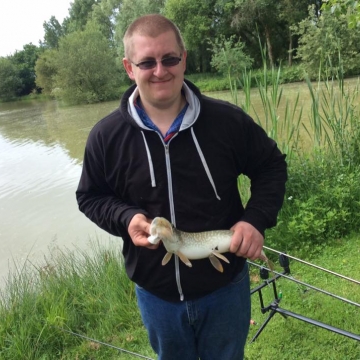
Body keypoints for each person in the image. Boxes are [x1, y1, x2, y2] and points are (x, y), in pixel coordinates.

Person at [76, 14, 287, 360]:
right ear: (129, 68)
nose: (161, 70)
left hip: (225, 289)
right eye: (147, 62)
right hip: (156, 296)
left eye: (169, 58)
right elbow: (90, 197)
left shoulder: (227, 122)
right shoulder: (105, 136)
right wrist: (126, 218)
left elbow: (271, 166)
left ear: (183, 58)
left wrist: (256, 219)